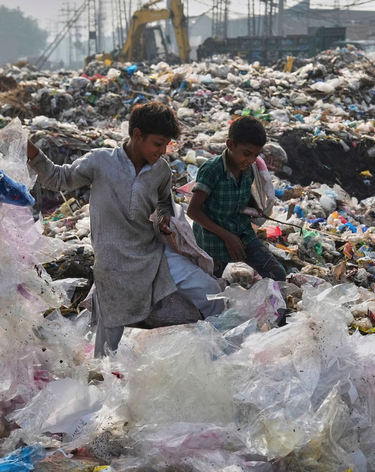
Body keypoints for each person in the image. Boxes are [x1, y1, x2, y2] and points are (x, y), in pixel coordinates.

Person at [26, 101, 223, 357]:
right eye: (157, 143)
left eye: (166, 145)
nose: (162, 151)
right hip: (112, 263)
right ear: (137, 135)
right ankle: (101, 385)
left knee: (210, 293)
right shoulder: (100, 162)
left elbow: (165, 201)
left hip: (152, 255)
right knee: (107, 350)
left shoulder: (161, 170)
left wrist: (164, 217)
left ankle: (220, 355)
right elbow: (58, 178)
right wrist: (28, 149)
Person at [187, 116, 286, 281]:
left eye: (255, 155)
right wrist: (227, 236)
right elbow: (193, 211)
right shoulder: (213, 170)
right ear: (230, 144)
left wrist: (255, 208)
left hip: (241, 232)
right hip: (214, 240)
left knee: (277, 274)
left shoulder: (248, 169)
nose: (251, 160)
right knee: (211, 288)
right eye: (246, 153)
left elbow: (243, 195)